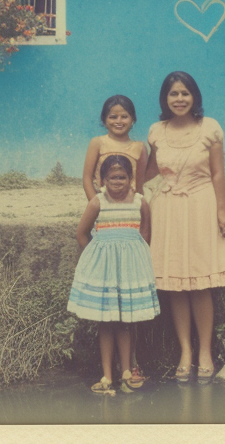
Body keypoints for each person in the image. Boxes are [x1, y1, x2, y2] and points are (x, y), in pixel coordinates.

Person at [145, 71, 225, 384]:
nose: (180, 99)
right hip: (167, 210)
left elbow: (218, 174)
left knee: (200, 283)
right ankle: (185, 351)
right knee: (175, 285)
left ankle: (205, 352)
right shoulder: (156, 131)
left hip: (201, 205)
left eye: (185, 93)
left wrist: (222, 211)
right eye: (173, 94)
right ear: (165, 99)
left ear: (193, 96)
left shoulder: (210, 128)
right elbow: (150, 171)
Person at [67, 154, 159, 395]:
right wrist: (96, 260)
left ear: (130, 179)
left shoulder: (140, 202)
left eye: (122, 177)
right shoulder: (98, 202)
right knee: (106, 322)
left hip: (130, 272)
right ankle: (107, 375)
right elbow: (81, 233)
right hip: (105, 274)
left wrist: (136, 259)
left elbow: (145, 233)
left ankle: (126, 372)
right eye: (112, 177)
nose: (118, 182)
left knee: (126, 322)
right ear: (102, 179)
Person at [82, 94, 148, 200]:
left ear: (133, 120)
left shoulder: (140, 148)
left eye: (124, 117)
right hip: (102, 204)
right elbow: (87, 179)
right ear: (104, 120)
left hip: (129, 206)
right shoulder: (97, 143)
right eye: (113, 117)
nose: (119, 121)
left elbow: (139, 185)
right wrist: (96, 206)